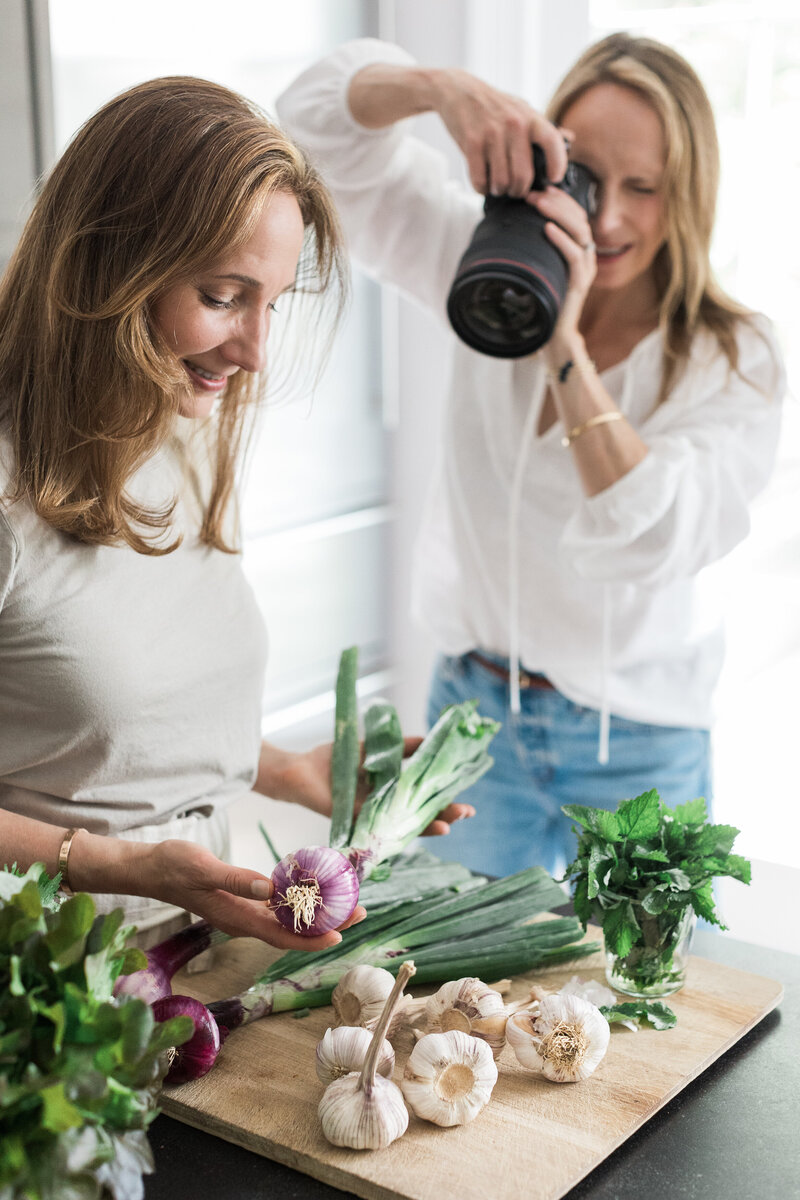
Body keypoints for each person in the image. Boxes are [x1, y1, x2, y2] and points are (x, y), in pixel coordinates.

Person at [276, 34, 786, 879]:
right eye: (590, 180)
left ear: (688, 195)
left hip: (642, 736)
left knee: (643, 999)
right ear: (551, 169)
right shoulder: (481, 264)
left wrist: (560, 345)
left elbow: (648, 538)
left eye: (646, 188)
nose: (612, 218)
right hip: (475, 714)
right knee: (446, 992)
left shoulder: (734, 357)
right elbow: (311, 139)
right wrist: (439, 88)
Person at [0, 75, 471, 950]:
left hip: (192, 958)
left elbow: (114, 714)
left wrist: (292, 771)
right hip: (47, 990)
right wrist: (108, 862)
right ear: (110, 261)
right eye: (223, 297)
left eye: (273, 305)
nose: (255, 352)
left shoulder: (174, 421)